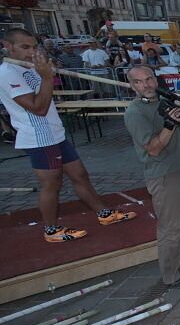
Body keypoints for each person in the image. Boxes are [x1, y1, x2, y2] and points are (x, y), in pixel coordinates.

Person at [0, 29, 136, 242]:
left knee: (80, 175)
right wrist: (47, 78)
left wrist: (46, 73)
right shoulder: (8, 73)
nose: (31, 52)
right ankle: (51, 230)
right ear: (7, 46)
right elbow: (38, 108)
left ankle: (104, 214)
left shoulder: (30, 67)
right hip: (39, 137)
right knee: (52, 184)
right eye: (24, 47)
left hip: (55, 132)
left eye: (34, 47)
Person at [124, 65, 180, 288]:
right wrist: (170, 123)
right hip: (162, 175)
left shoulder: (162, 100)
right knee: (170, 228)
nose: (146, 85)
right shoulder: (134, 113)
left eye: (149, 79)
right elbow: (154, 149)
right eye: (138, 82)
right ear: (132, 86)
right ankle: (170, 276)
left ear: (156, 80)